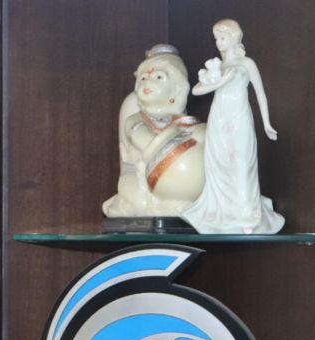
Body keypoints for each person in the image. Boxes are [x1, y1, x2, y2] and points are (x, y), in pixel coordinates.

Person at [181, 19, 285, 234]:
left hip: (239, 119)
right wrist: (219, 82)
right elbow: (196, 91)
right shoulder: (217, 67)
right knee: (218, 164)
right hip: (218, 119)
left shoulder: (247, 63)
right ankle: (221, 212)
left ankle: (247, 214)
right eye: (216, 38)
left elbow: (260, 94)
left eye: (223, 37)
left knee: (242, 163)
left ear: (234, 37)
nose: (219, 42)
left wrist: (266, 123)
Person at [102, 44, 206, 218]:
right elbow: (149, 145)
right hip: (138, 178)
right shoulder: (135, 118)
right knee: (141, 202)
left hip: (172, 182)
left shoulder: (179, 118)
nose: (147, 82)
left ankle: (174, 203)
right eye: (143, 78)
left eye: (159, 77)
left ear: (178, 88)